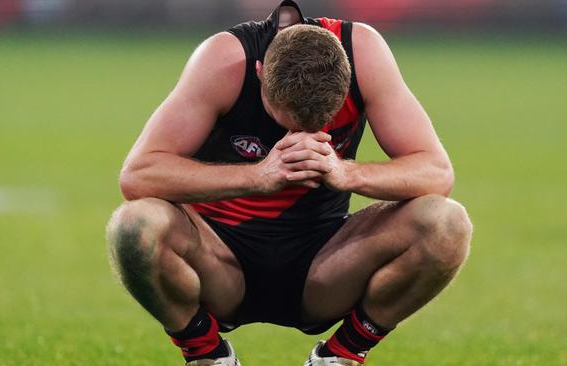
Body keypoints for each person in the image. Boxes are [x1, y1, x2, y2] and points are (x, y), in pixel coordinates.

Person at [106, 1, 473, 365]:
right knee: (134, 225)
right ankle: (207, 354)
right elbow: (139, 174)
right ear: (261, 73)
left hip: (325, 266)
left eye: (318, 123)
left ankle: (341, 355)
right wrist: (257, 176)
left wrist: (346, 173)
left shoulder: (365, 53)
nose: (299, 135)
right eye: (286, 120)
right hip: (219, 261)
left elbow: (437, 172)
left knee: (446, 223)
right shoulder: (224, 60)